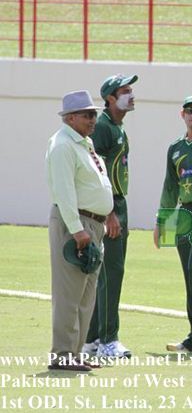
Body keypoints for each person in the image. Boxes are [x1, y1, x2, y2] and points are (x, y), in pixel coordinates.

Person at [46, 90, 113, 371]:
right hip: (77, 224)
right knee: (69, 293)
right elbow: (64, 192)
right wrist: (77, 229)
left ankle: (75, 352)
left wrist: (105, 216)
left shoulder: (82, 142)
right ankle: (62, 354)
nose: (93, 119)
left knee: (86, 295)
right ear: (70, 117)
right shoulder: (63, 144)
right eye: (87, 115)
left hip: (92, 224)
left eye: (94, 114)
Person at [82, 74, 138, 358]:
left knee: (105, 273)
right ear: (110, 98)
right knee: (111, 273)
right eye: (125, 91)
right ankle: (108, 339)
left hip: (116, 202)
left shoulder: (117, 127)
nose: (132, 94)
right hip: (110, 204)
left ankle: (92, 338)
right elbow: (97, 173)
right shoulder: (104, 127)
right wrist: (111, 213)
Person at [154, 95, 192, 353]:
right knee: (191, 274)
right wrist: (162, 221)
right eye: (189, 110)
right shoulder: (176, 148)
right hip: (185, 213)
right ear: (182, 115)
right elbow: (170, 186)